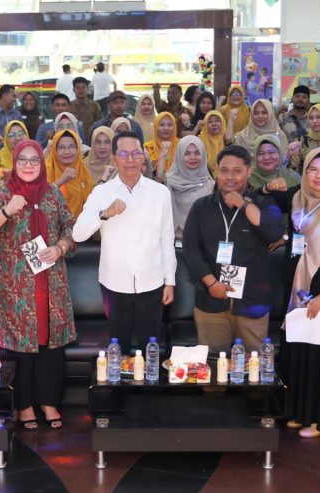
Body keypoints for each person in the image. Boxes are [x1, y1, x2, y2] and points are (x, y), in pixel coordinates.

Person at [260, 148, 320, 438]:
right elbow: (259, 196)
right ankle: (299, 412)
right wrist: (266, 186)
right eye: (312, 169)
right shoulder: (296, 197)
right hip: (297, 288)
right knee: (299, 350)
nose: (318, 175)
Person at [0, 140, 76, 430]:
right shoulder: (3, 192)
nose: (29, 165)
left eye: (35, 160)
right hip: (16, 286)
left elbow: (71, 228)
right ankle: (23, 406)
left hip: (51, 283)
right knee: (21, 347)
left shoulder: (52, 195)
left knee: (50, 345)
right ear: (14, 161)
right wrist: (8, 209)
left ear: (42, 163)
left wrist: (60, 247)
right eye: (23, 159)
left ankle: (49, 403)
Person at [72, 131, 176, 354]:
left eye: (136, 153)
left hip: (152, 282)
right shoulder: (101, 192)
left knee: (151, 347)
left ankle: (149, 386)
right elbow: (77, 234)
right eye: (124, 154)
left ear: (143, 157)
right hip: (115, 284)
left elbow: (167, 240)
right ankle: (118, 388)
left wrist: (170, 281)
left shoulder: (160, 193)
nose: (130, 159)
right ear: (113, 158)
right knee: (119, 348)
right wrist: (104, 213)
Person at [181, 145, 283, 356]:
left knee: (255, 368)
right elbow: (191, 249)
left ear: (249, 171)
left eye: (237, 171)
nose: (230, 177)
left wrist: (244, 204)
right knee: (211, 367)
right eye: (224, 170)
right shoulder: (201, 207)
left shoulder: (264, 203)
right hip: (211, 301)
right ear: (216, 171)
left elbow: (273, 233)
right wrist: (211, 283)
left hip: (252, 302)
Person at [167, 136, 214, 240]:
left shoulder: (212, 186)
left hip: (203, 245)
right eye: (187, 153)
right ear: (179, 156)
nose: (193, 157)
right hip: (175, 244)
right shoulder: (169, 184)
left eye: (197, 153)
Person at [46, 130, 93, 217]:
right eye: (61, 147)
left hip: (80, 227)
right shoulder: (45, 171)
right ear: (54, 150)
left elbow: (91, 204)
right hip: (53, 227)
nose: (67, 152)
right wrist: (61, 181)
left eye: (71, 147)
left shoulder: (83, 171)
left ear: (78, 149)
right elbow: (41, 200)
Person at [144, 112, 179, 182]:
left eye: (170, 125)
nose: (166, 128)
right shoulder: (147, 147)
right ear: (156, 126)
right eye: (162, 125)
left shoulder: (181, 145)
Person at [198, 110, 227, 178]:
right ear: (205, 125)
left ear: (222, 122)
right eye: (210, 122)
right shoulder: (199, 141)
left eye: (217, 121)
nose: (214, 124)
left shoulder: (226, 140)